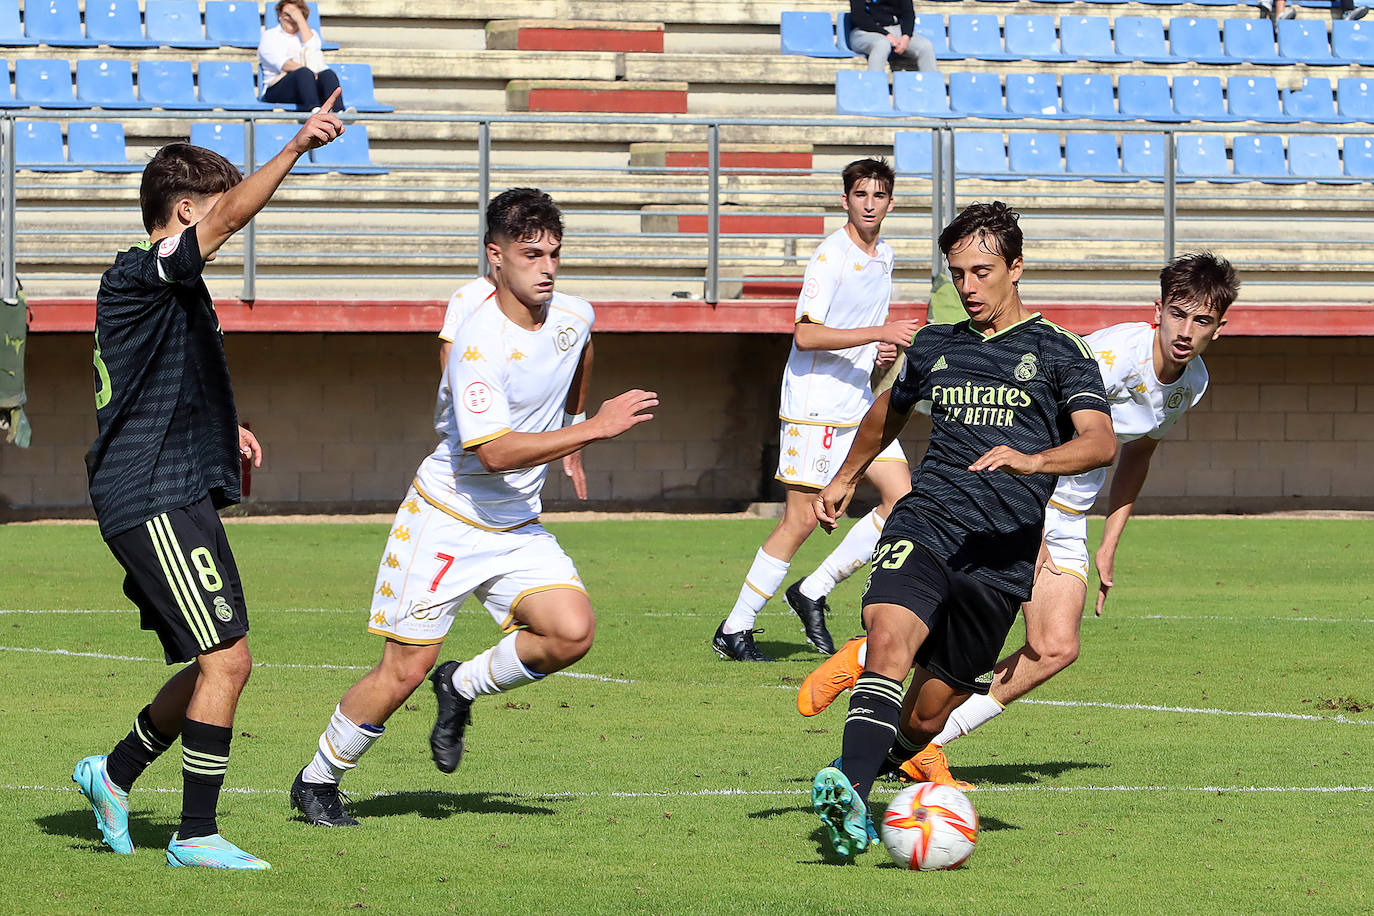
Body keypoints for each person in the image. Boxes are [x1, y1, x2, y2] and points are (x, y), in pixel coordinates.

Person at [797, 252, 1239, 790]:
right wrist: (1031, 518)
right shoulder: (1110, 355)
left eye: (1202, 321)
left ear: (1221, 326)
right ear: (1157, 311)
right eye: (1178, 314)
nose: (1186, 331)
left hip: (1072, 512)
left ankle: (925, 742)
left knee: (1057, 646)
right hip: (1023, 497)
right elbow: (1038, 417)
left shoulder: (1194, 381)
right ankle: (869, 659)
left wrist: (1109, 543)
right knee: (955, 594)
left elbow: (1138, 453)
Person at [289, 188, 657, 827]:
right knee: (404, 668)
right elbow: (493, 453)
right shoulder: (476, 339)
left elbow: (581, 349)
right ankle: (317, 780)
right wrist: (592, 430)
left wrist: (571, 426)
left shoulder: (574, 314)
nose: (545, 268)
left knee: (571, 632)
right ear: (496, 257)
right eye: (529, 254)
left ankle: (461, 686)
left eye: (554, 254)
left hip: (516, 521)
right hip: (449, 517)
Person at [73, 99, 345, 869]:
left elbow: (159, 379)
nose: (225, 229)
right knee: (230, 660)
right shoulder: (139, 269)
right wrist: (293, 146)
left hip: (172, 486)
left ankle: (114, 772)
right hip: (149, 493)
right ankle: (196, 836)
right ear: (185, 210)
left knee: (208, 663)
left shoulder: (171, 289)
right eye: (213, 210)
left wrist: (229, 428)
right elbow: (221, 226)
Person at [808, 201, 1116, 858]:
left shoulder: (1060, 352)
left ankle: (889, 760)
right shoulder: (934, 344)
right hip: (928, 522)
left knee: (926, 715)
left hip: (1002, 556)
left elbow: (1101, 441)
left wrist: (1034, 460)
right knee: (888, 637)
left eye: (981, 271)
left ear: (1016, 267)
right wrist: (843, 477)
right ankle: (851, 800)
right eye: (958, 274)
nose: (968, 287)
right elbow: (886, 413)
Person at [712, 158, 919, 662]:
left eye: (879, 195)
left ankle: (814, 589)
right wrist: (880, 334)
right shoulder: (831, 255)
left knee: (904, 502)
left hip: (857, 401)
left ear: (891, 203)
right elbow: (805, 333)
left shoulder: (885, 255)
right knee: (801, 520)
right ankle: (734, 628)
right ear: (845, 199)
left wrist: (878, 352)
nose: (869, 204)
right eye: (860, 194)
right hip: (814, 404)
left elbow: (864, 331)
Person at [259, 0, 345, 112]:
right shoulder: (270, 36)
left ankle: (339, 111)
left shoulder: (310, 34)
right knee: (303, 72)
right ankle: (313, 109)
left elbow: (314, 51)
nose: (290, 18)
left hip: (308, 85)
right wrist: (308, 72)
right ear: (279, 15)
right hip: (277, 87)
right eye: (287, 14)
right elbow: (283, 64)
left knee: (328, 74)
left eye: (295, 14)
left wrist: (300, 20)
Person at [847, 0, 936, 74]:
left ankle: (931, 90)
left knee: (925, 46)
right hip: (864, 31)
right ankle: (874, 88)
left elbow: (908, 13)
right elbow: (859, 17)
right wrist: (886, 34)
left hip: (894, 29)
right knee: (882, 44)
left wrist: (906, 36)